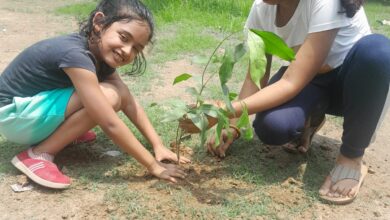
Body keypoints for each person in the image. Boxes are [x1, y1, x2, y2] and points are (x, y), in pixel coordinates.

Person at [181, 0, 390, 204]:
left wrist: (222, 111)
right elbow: (256, 75)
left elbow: (291, 83)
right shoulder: (261, 8)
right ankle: (312, 117)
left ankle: (351, 156)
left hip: (356, 86)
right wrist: (234, 124)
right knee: (273, 126)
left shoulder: (324, 2)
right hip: (309, 79)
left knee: (377, 52)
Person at [0, 0, 189, 189]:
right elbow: (108, 121)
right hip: (13, 117)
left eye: (136, 48)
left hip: (26, 114)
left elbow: (128, 100)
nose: (127, 51)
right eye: (124, 37)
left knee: (118, 92)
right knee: (108, 98)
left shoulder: (98, 54)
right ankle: (38, 154)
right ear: (99, 23)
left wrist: (158, 144)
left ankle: (63, 133)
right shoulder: (75, 55)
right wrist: (153, 165)